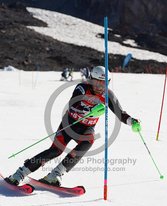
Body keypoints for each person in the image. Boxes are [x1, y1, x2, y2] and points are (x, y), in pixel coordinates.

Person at [6, 66, 141, 187]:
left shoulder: (108, 95)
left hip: (86, 128)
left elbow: (120, 113)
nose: (100, 86)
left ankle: (55, 175)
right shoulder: (82, 87)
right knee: (55, 151)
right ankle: (19, 174)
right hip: (69, 124)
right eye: (97, 82)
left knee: (88, 141)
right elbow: (73, 104)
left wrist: (131, 121)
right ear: (91, 79)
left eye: (104, 83)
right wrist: (90, 111)